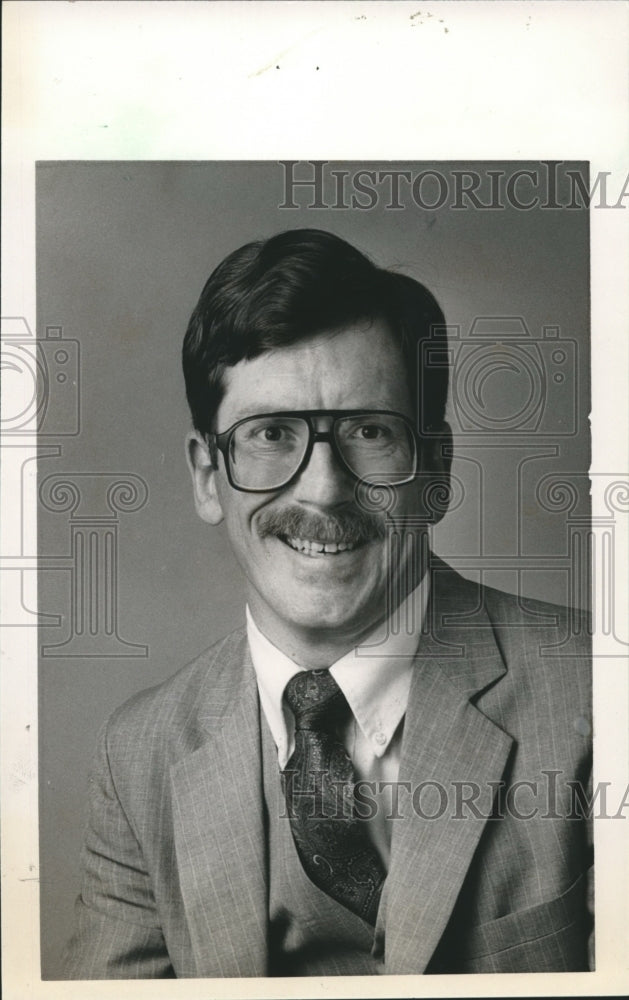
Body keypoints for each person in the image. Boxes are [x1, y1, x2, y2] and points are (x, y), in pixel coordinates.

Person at [63, 228, 592, 978]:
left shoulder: (601, 692)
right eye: (271, 434)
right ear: (208, 478)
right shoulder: (139, 754)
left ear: (436, 470)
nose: (323, 489)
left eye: (370, 432)